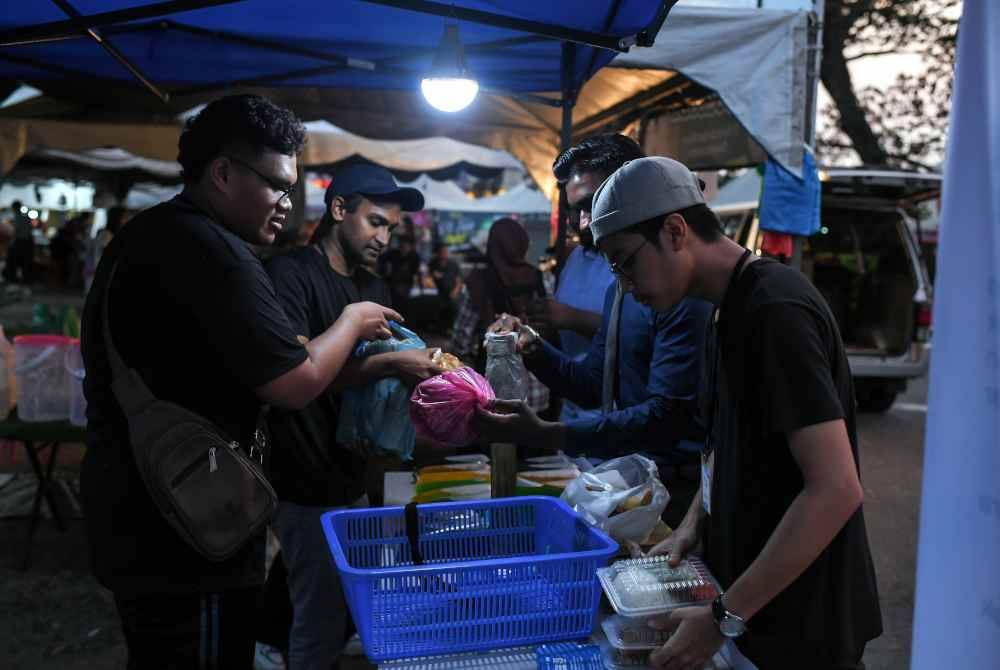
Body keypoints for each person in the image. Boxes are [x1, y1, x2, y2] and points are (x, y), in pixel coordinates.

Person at [79, 94, 401, 670]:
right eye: (276, 185)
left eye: (290, 186)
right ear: (223, 172)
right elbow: (295, 381)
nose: (285, 202)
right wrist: (352, 322)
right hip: (182, 529)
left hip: (157, 506)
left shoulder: (157, 234)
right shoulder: (210, 252)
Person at [590, 157, 882, 669]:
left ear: (675, 231)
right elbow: (727, 439)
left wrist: (726, 616)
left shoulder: (775, 311)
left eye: (625, 261)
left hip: (801, 625)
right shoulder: (725, 307)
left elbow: (836, 488)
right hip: (753, 610)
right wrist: (690, 526)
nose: (623, 284)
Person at [264, 164, 438, 670]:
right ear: (339, 210)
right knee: (317, 621)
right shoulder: (290, 275)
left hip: (354, 471)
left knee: (346, 607)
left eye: (391, 228)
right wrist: (388, 363)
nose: (384, 237)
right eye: (376, 222)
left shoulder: (373, 287)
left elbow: (371, 380)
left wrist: (422, 372)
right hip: (301, 471)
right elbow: (292, 378)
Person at [531, 135, 638, 428]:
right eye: (572, 210)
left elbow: (636, 332)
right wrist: (530, 342)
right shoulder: (576, 257)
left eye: (590, 204)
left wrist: (570, 318)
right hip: (579, 412)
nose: (580, 221)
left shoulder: (644, 265)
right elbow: (590, 382)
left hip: (623, 427)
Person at [449, 217, 551, 413]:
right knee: (534, 438)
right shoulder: (542, 277)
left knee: (494, 436)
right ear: (523, 244)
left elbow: (461, 339)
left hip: (490, 384)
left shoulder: (476, 282)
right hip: (537, 384)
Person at [378, 231, 421, 311]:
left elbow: (416, 273)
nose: (404, 247)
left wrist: (418, 287)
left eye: (406, 245)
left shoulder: (414, 257)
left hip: (406, 286)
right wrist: (386, 269)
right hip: (391, 285)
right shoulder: (393, 254)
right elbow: (381, 259)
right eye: (402, 244)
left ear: (411, 246)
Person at [428, 241, 462, 331]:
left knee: (454, 307)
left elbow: (459, 281)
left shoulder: (453, 264)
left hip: (453, 293)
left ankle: (452, 329)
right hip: (440, 294)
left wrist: (455, 292)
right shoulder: (433, 264)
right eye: (442, 251)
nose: (445, 253)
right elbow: (430, 279)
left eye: (446, 251)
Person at [3, 200, 34, 284]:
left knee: (13, 261)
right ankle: (26, 279)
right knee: (26, 262)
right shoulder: (26, 216)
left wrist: (11, 241)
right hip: (27, 241)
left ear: (14, 208)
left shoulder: (18, 216)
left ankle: (13, 279)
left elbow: (16, 231)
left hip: (21, 242)